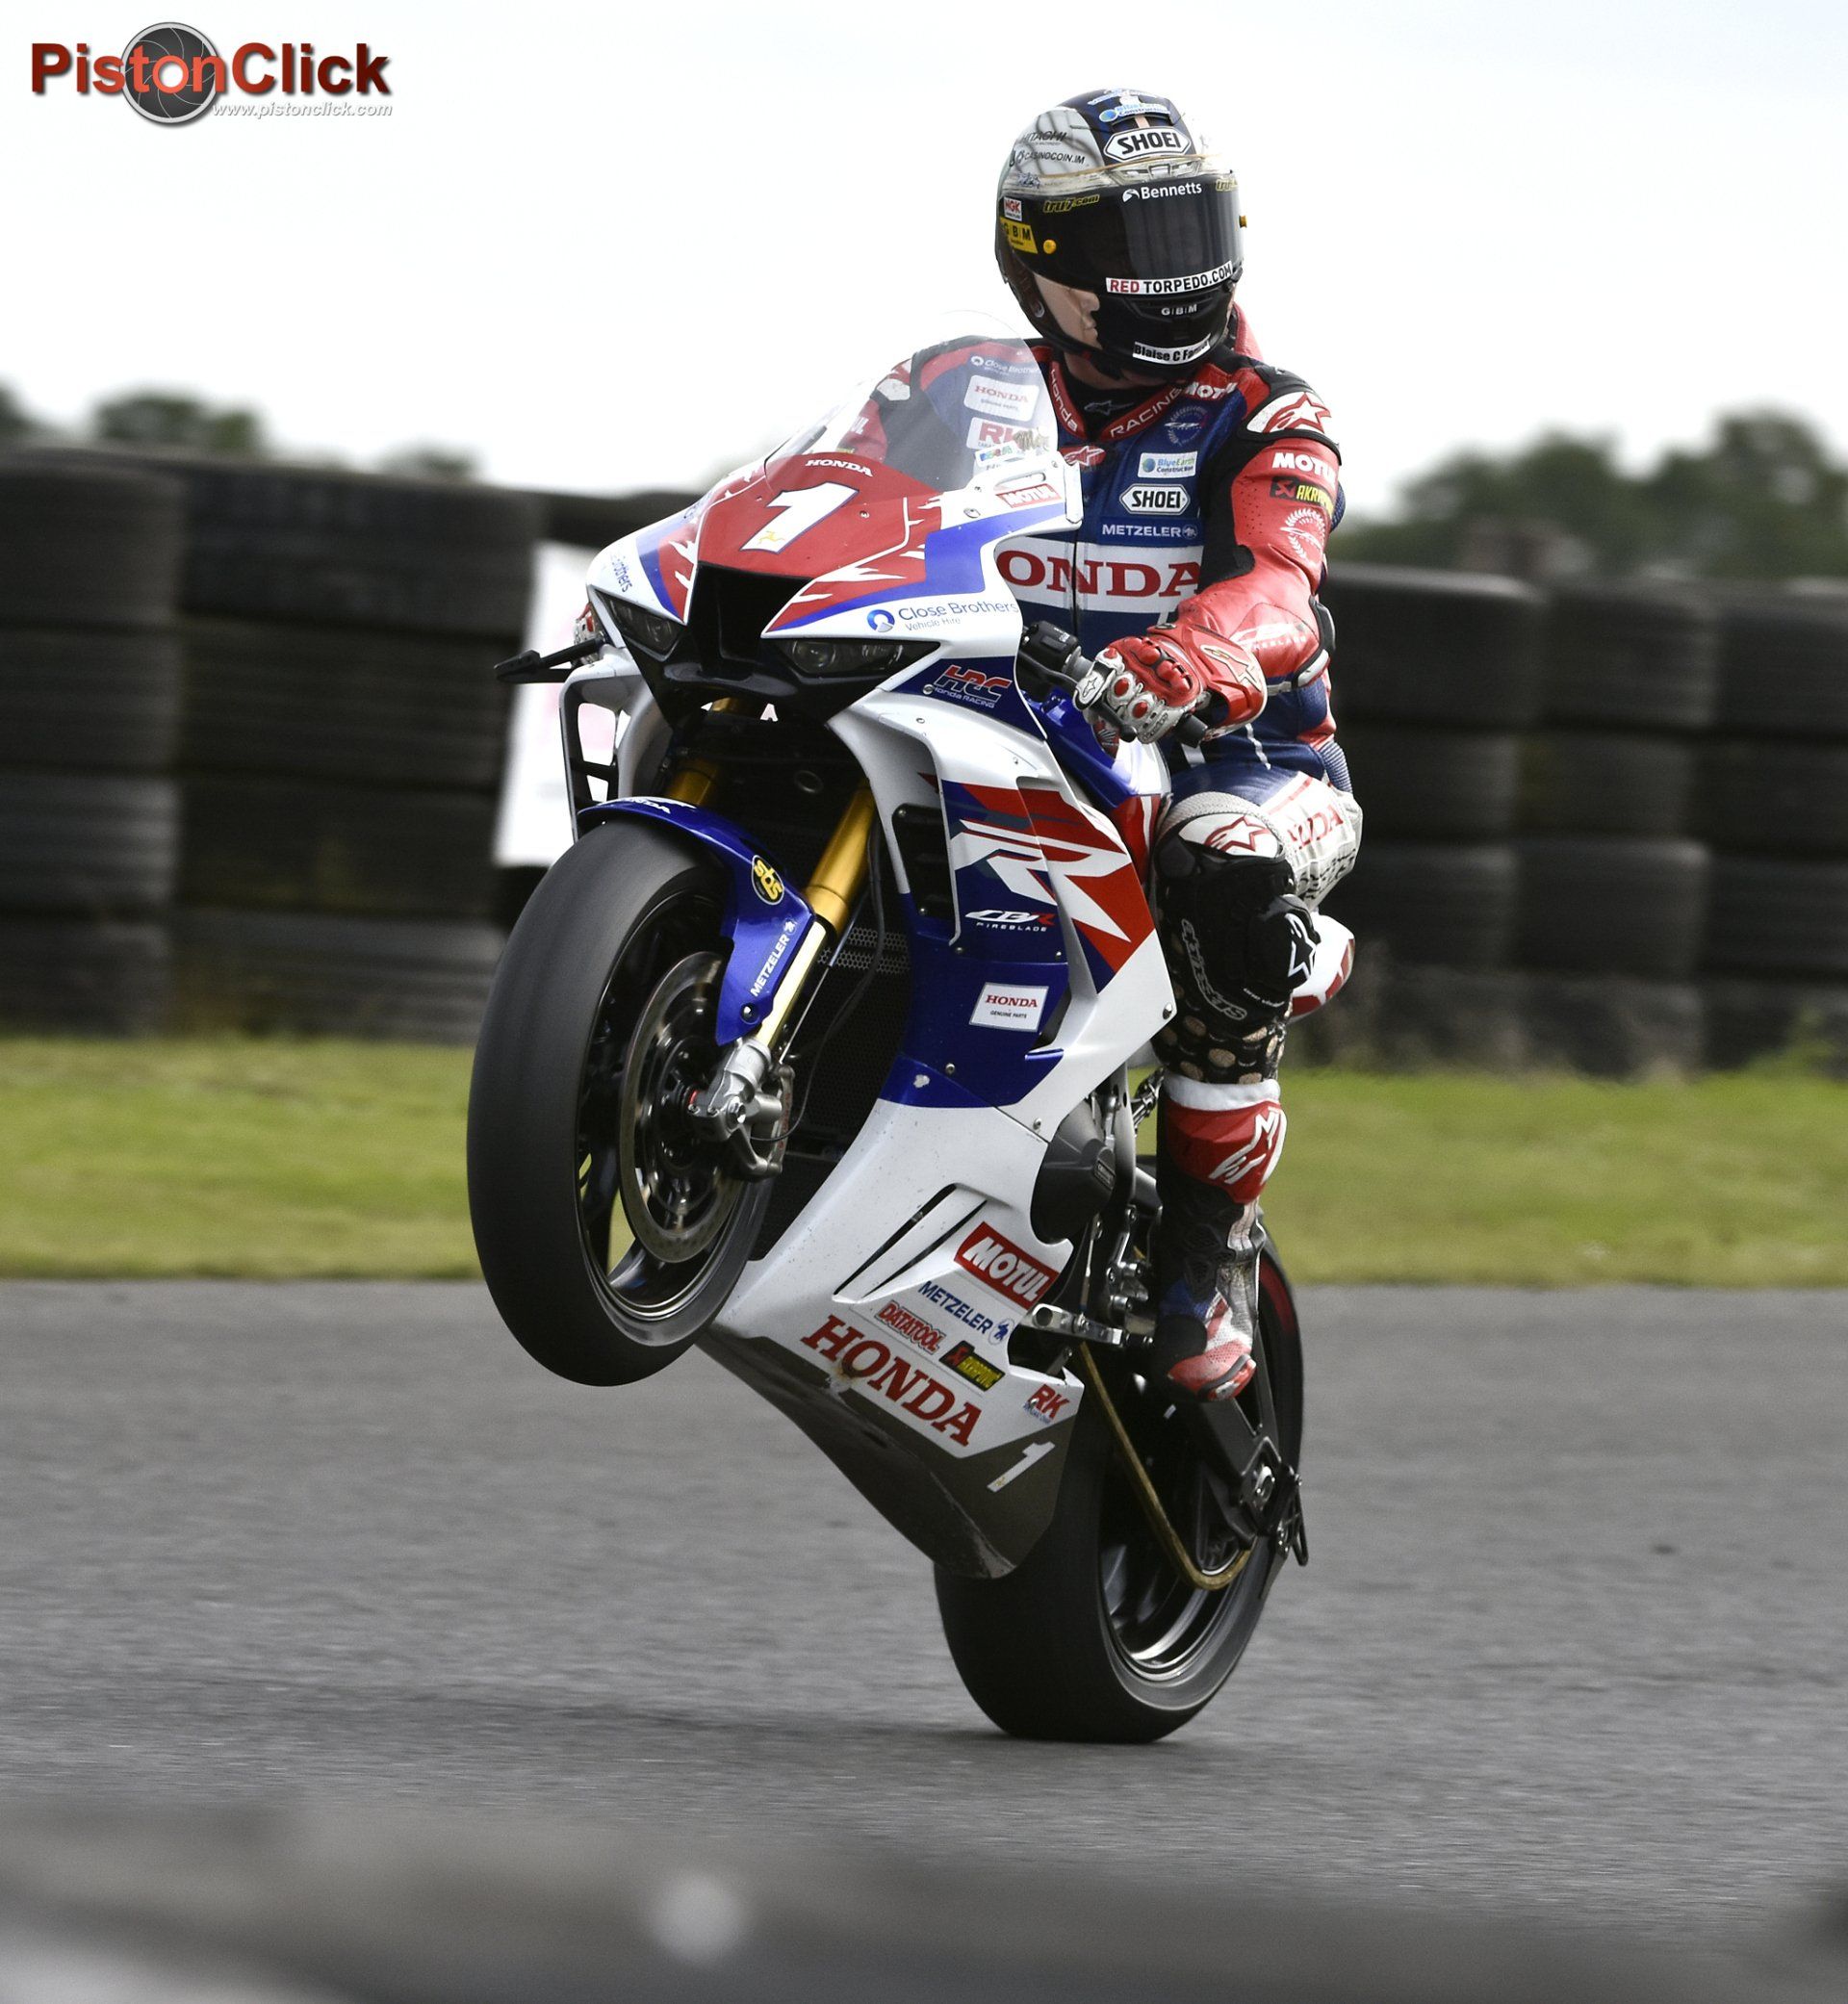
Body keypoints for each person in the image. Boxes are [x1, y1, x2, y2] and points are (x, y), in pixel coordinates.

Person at [994, 90, 1362, 1402]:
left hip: (1256, 774)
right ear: (1045, 262)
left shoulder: (1270, 413)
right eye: (1142, 244)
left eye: (1195, 231)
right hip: (1042, 750)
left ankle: (1205, 1257)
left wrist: (1191, 652)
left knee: (1217, 856)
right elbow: (846, 494)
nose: (1180, 274)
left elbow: (1282, 582)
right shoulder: (971, 399)